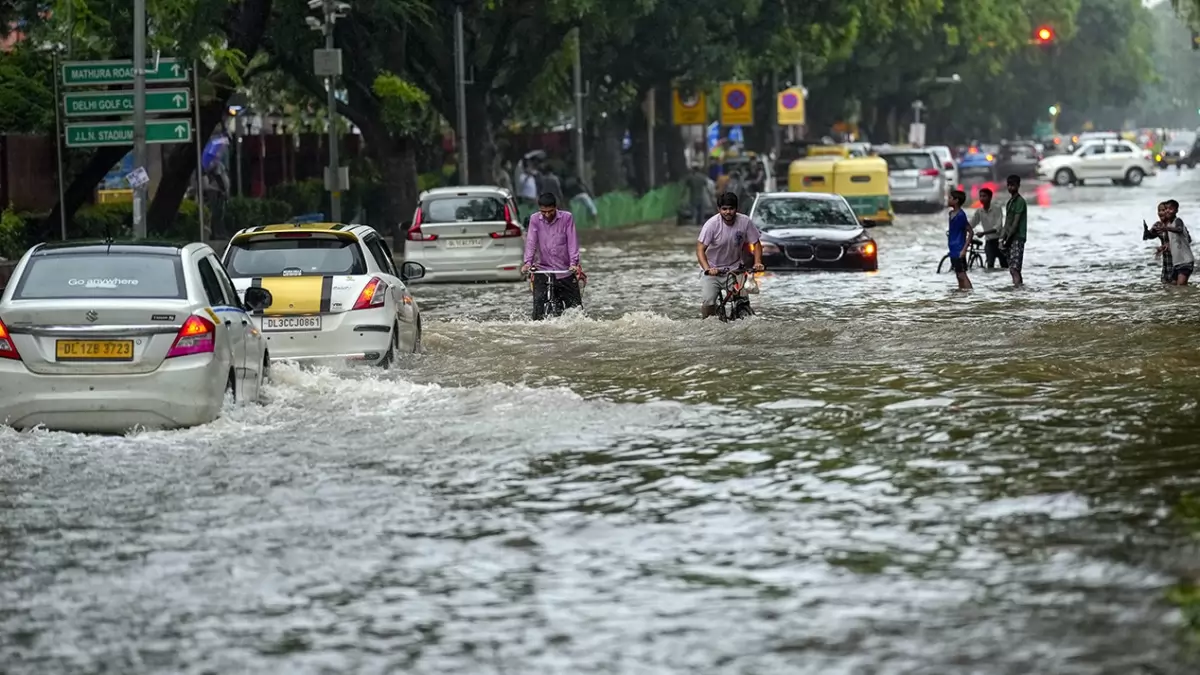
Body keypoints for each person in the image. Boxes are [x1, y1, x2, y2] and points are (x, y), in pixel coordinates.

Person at [696, 192, 764, 319]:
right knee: (709, 303)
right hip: (713, 270)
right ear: (719, 209)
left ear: (736, 209)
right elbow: (700, 249)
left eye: (731, 208)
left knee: (742, 303)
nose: (728, 212)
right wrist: (707, 269)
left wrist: (757, 262)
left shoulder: (745, 222)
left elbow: (756, 243)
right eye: (724, 209)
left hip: (735, 270)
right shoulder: (711, 225)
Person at [522, 192, 582, 320]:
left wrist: (573, 263)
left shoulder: (567, 218)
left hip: (565, 270)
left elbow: (572, 241)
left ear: (556, 207)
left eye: (550, 211)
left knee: (576, 311)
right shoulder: (534, 219)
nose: (547, 215)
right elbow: (531, 241)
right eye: (543, 212)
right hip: (543, 269)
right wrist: (527, 263)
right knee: (538, 311)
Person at [999, 174, 1027, 287]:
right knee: (1012, 269)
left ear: (1018, 186)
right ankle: (1019, 288)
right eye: (1009, 185)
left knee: (1015, 268)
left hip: (1017, 237)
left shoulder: (1020, 202)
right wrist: (1002, 238)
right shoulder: (1010, 203)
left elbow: (1015, 223)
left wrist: (1008, 240)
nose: (1010, 188)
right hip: (1010, 238)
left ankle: (1017, 291)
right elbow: (1007, 223)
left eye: (1013, 185)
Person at [1157, 199, 1193, 285]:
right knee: (1172, 287)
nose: (1167, 211)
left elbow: (1179, 230)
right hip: (1176, 263)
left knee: (1181, 287)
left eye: (1171, 208)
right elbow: (1186, 239)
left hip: (1185, 261)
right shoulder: (1169, 224)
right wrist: (1166, 246)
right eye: (1166, 209)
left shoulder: (1178, 221)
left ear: (1176, 210)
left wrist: (1166, 228)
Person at [970, 187, 1006, 269]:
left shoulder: (997, 209)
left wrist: (983, 233)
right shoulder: (979, 211)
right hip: (989, 242)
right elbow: (972, 223)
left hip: (1000, 241)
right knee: (990, 265)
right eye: (980, 196)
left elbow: (998, 227)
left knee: (1004, 265)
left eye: (984, 196)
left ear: (990, 197)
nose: (982, 198)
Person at [947, 189, 973, 291]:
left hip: (959, 249)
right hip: (953, 248)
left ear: (956, 200)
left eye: (950, 198)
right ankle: (961, 293)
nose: (948, 200)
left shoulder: (961, 215)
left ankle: (970, 292)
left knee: (962, 274)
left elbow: (970, 231)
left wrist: (964, 249)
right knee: (958, 274)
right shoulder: (951, 214)